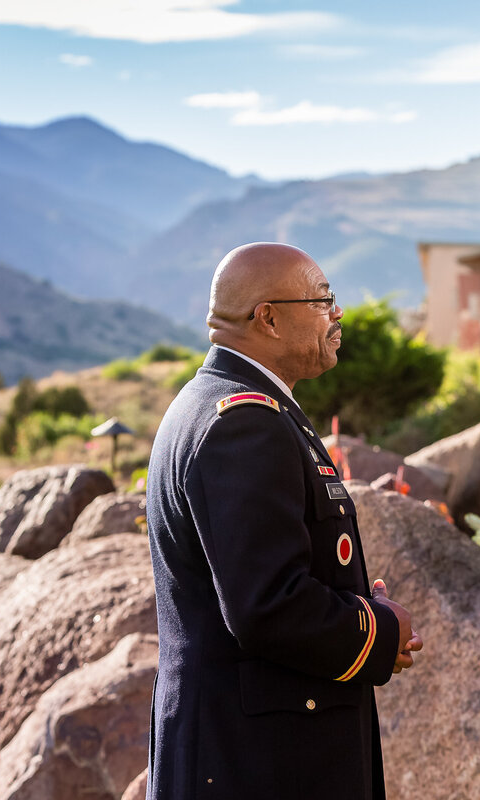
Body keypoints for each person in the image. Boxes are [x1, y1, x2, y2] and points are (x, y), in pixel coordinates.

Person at [144, 242, 422, 800]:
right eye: (322, 300)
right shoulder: (244, 423)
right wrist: (380, 630)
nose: (337, 313)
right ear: (268, 317)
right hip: (258, 758)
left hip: (247, 745)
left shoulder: (222, 404)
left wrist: (352, 601)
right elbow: (267, 604)